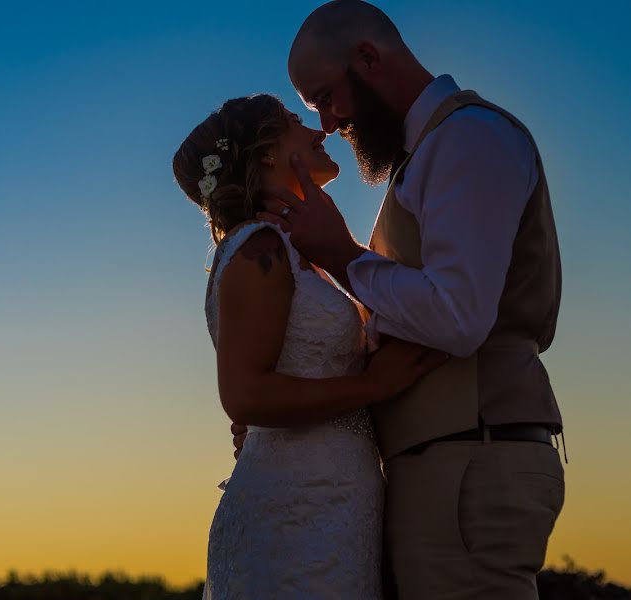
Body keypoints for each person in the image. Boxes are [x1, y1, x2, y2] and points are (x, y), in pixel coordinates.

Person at [238, 1, 567, 598]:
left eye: (327, 97)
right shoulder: (426, 156)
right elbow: (402, 323)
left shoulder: (469, 138)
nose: (331, 123)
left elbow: (459, 316)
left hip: (472, 457)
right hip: (446, 461)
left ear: (368, 58)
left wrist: (343, 255)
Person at [173, 94, 448, 598]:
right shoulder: (261, 248)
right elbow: (245, 396)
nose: (321, 132)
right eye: (298, 122)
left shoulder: (294, 252)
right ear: (267, 154)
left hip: (333, 505)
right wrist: (373, 384)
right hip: (295, 513)